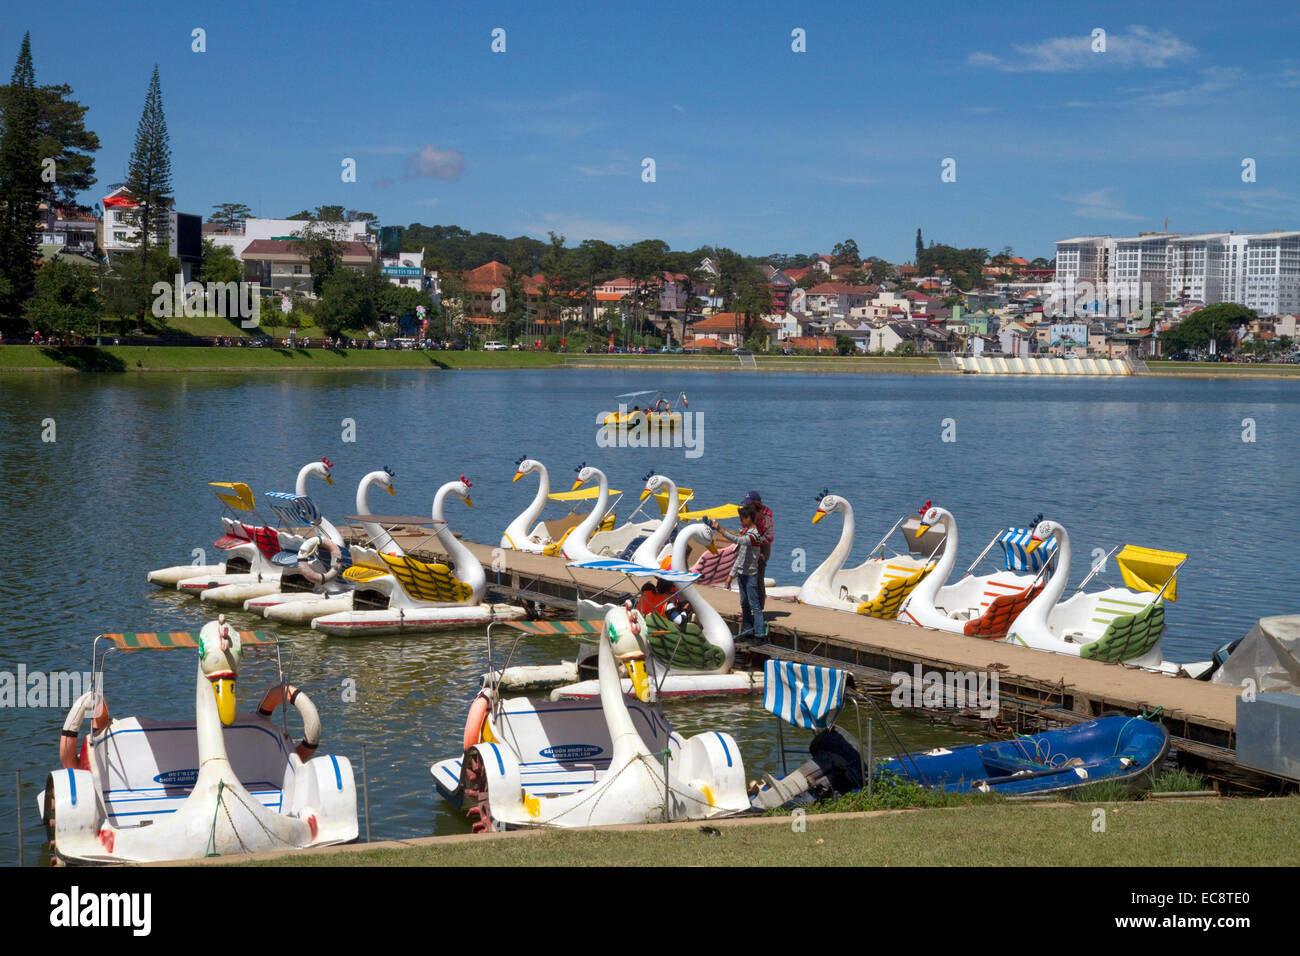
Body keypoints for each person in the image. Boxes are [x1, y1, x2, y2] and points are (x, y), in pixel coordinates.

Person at [708, 504, 769, 639]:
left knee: (755, 606)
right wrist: (730, 576)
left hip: (751, 575)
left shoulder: (754, 535)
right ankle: (747, 631)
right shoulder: (747, 533)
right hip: (742, 575)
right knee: (744, 603)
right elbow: (740, 557)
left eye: (742, 519)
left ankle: (759, 634)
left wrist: (721, 529)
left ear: (748, 519)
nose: (740, 522)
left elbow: (738, 540)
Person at [742, 491, 773, 609]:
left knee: (758, 579)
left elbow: (769, 536)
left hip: (762, 550)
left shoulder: (766, 515)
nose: (746, 507)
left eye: (749, 504)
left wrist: (755, 539)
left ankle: (758, 609)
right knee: (746, 578)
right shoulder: (750, 514)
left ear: (756, 503)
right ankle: (748, 607)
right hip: (751, 547)